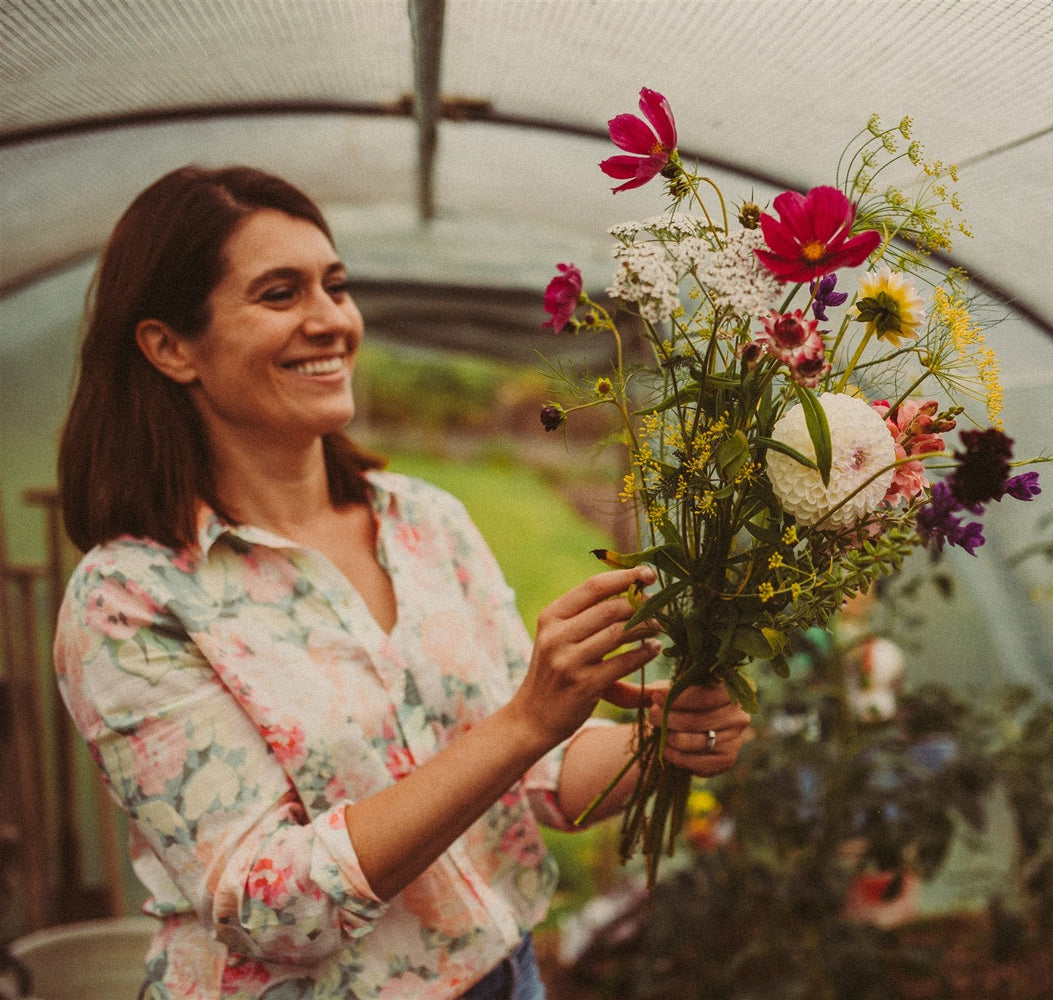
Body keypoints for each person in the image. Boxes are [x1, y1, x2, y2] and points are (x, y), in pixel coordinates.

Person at [52, 165, 751, 999]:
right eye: (280, 294)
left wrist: (662, 740)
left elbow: (527, 779)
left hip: (504, 973)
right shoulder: (130, 599)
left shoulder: (424, 521)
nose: (332, 321)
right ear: (170, 347)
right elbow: (274, 909)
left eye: (335, 286)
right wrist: (527, 720)